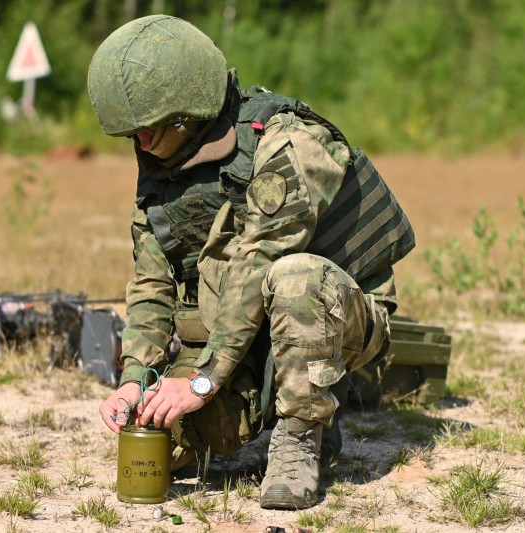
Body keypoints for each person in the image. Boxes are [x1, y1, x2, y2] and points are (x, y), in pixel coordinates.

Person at [90, 14, 414, 510]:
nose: (141, 145)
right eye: (132, 134)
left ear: (186, 116)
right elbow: (153, 283)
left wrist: (202, 380)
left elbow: (261, 261)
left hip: (334, 315)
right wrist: (136, 379)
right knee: (174, 429)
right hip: (243, 323)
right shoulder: (160, 165)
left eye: (150, 130)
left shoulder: (286, 142)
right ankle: (288, 404)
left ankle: (302, 438)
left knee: (294, 277)